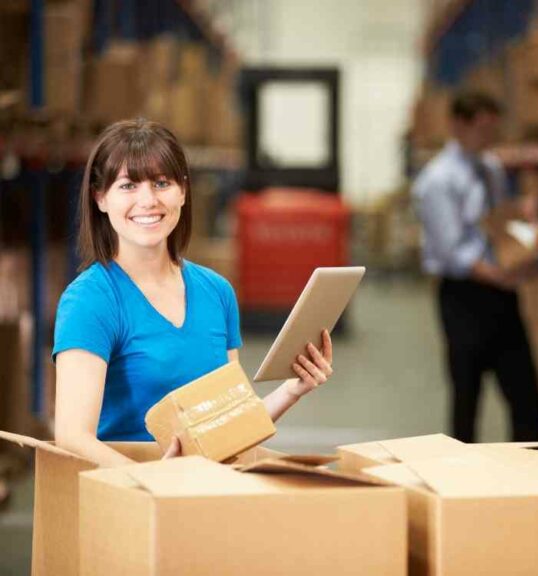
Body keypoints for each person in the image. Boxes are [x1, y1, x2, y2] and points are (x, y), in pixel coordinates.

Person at [53, 119, 334, 467]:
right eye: (128, 186)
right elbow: (71, 435)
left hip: (204, 491)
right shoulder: (91, 301)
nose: (148, 200)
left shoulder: (216, 292)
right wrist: (154, 478)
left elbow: (233, 422)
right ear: (100, 198)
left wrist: (292, 388)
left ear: (183, 192)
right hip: (131, 498)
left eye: (161, 183)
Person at [412, 91, 538, 443]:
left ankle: (529, 474)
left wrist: (522, 233)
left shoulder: (491, 169)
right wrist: (501, 276)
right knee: (467, 394)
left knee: (527, 396)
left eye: (492, 129)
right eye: (482, 129)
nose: (488, 138)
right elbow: (453, 251)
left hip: (500, 292)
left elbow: (494, 223)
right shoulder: (438, 180)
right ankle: (463, 480)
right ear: (458, 125)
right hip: (464, 296)